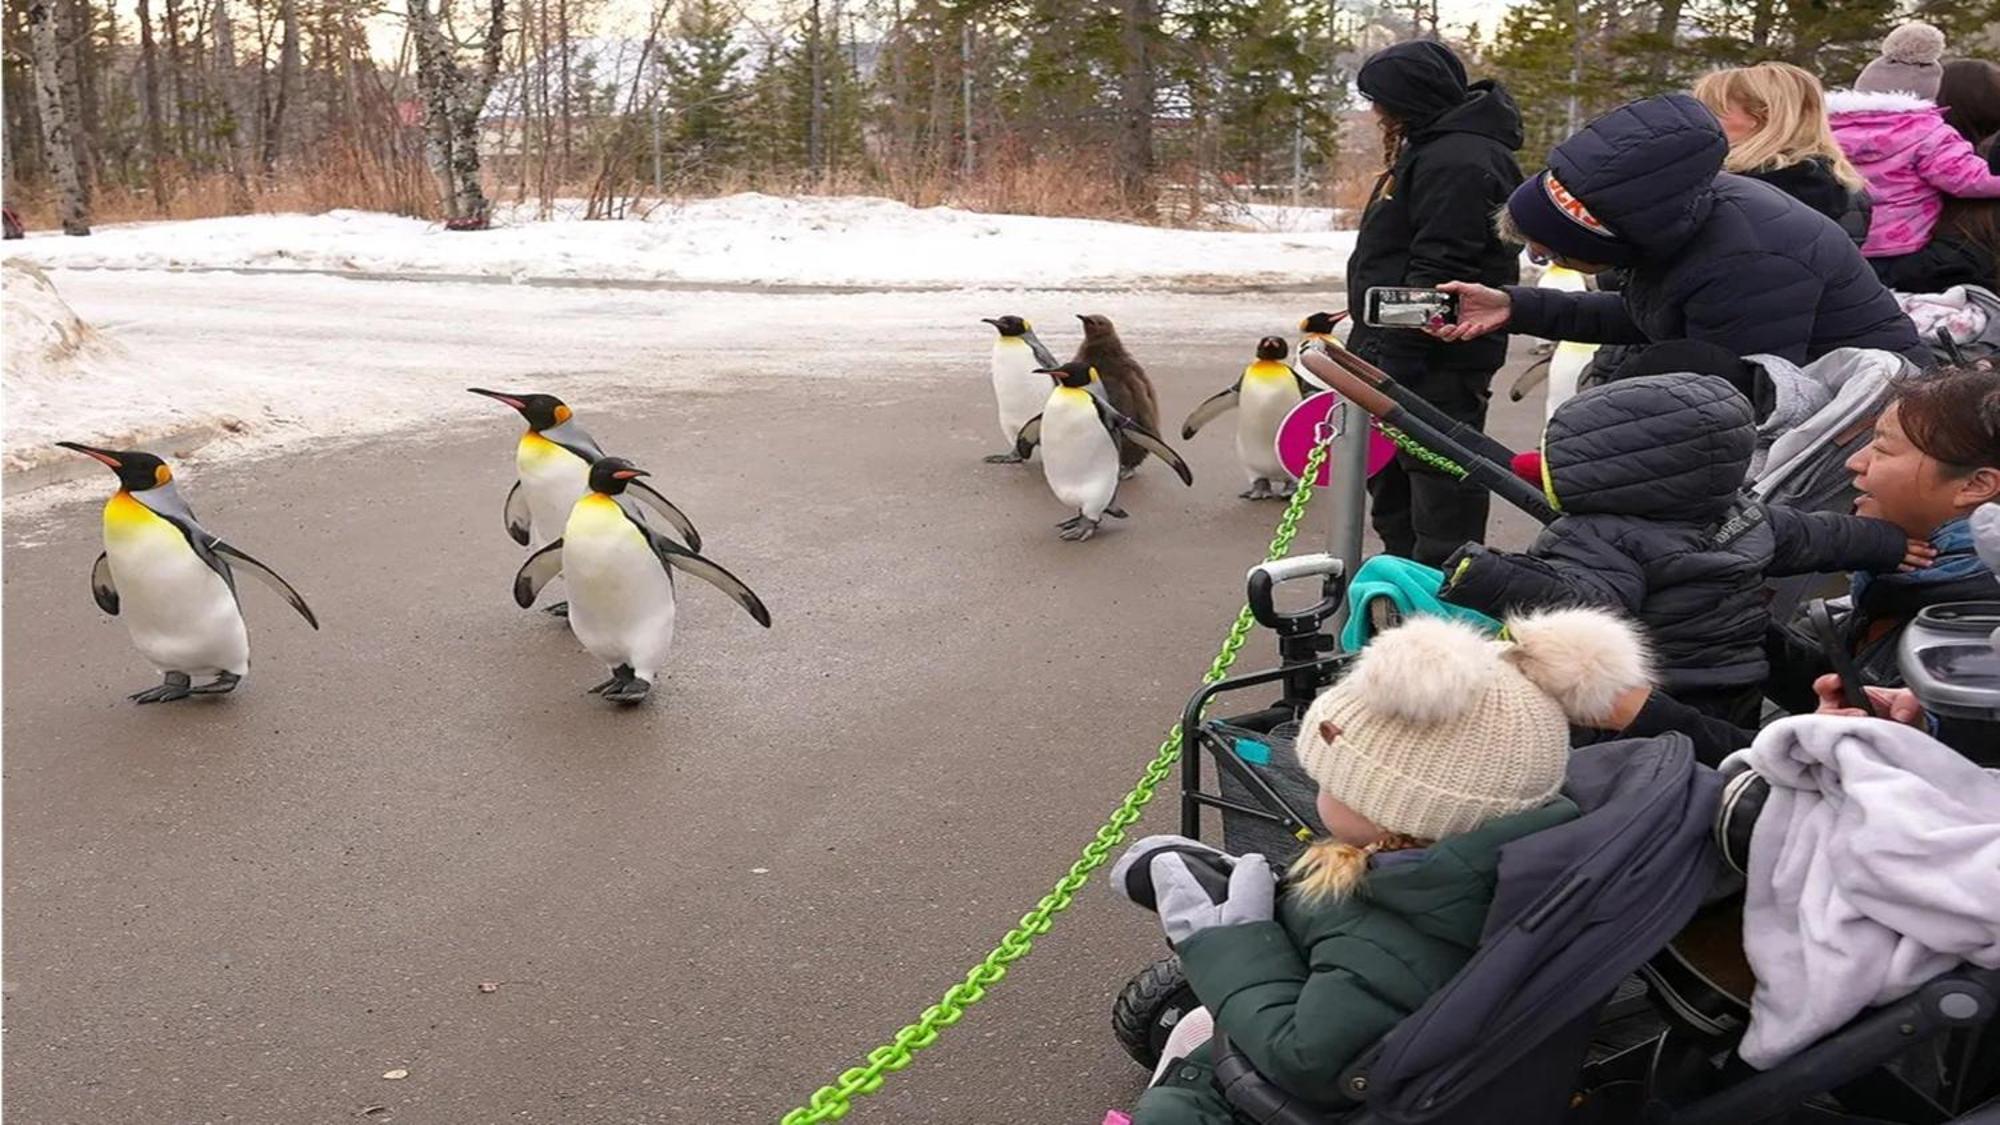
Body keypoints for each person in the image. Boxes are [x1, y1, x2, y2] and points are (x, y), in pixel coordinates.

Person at [1109, 608, 1648, 1125]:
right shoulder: (1477, 867)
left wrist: (1226, 941)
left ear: (1395, 813)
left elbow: (1308, 1061)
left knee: (1180, 1089)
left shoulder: (1397, 931)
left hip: (1306, 1088)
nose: (1317, 789)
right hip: (1407, 1046)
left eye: (1330, 782)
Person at [1437, 372, 1926, 728]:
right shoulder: (1741, 513)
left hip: (1658, 688)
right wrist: (1889, 543)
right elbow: (1817, 536)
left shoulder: (1596, 536)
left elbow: (1587, 604)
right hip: (1741, 672)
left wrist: (1489, 577)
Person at [1602, 368, 2000, 756]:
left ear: (1975, 486)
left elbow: (1854, 777)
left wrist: (1638, 712)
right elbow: (1846, 690)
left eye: (1880, 448)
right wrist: (1732, 615)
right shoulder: (1915, 581)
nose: (1854, 462)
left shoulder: (1971, 643)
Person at [1436, 94, 1925, 369]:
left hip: (1860, 428)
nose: (1550, 265)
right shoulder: (1669, 225)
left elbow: (1735, 402)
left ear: (1598, 236)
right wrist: (1514, 306)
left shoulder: (1748, 261)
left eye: (1548, 255)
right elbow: (1651, 316)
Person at [1344, 40, 1525, 566]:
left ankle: (1447, 606)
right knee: (1394, 494)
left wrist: (1395, 358)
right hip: (1394, 343)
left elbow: (1444, 269)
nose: (1376, 111)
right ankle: (1404, 594)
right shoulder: (1432, 146)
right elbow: (1404, 249)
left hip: (1434, 357)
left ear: (1411, 98)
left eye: (1381, 99)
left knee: (1442, 490)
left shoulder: (1461, 159)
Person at [1827, 22, 2000, 293]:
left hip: (1845, 243)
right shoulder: (1929, 133)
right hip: (1902, 246)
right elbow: (1968, 177)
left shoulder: (1831, 130)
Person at [1694, 62, 1872, 246]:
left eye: (1714, 112)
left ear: (1763, 116)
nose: (1700, 121)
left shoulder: (1739, 191)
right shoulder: (1844, 185)